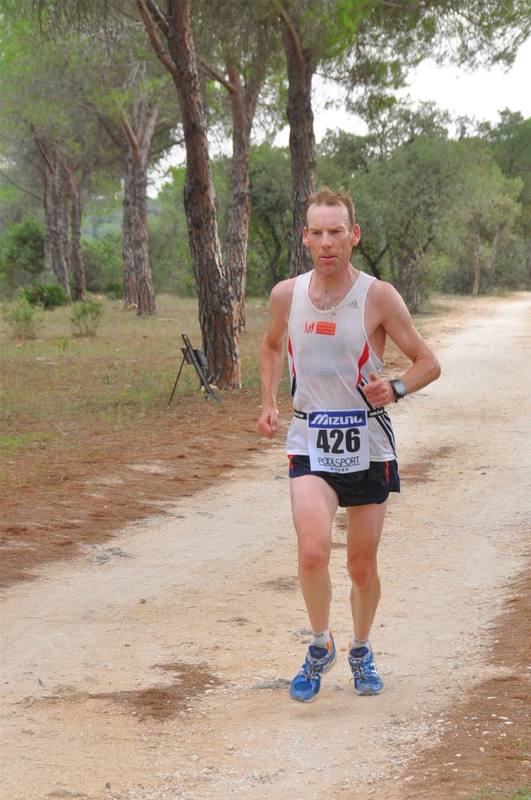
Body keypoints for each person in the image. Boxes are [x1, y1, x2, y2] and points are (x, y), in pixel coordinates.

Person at [257, 187, 440, 703]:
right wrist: (270, 401)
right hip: (309, 437)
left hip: (367, 442)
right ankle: (320, 645)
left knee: (360, 566)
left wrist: (397, 387)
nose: (326, 242)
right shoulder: (286, 295)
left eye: (336, 231)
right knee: (313, 551)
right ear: (305, 238)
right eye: (316, 233)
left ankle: (361, 648)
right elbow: (271, 346)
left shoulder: (378, 296)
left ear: (353, 235)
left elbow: (428, 361)